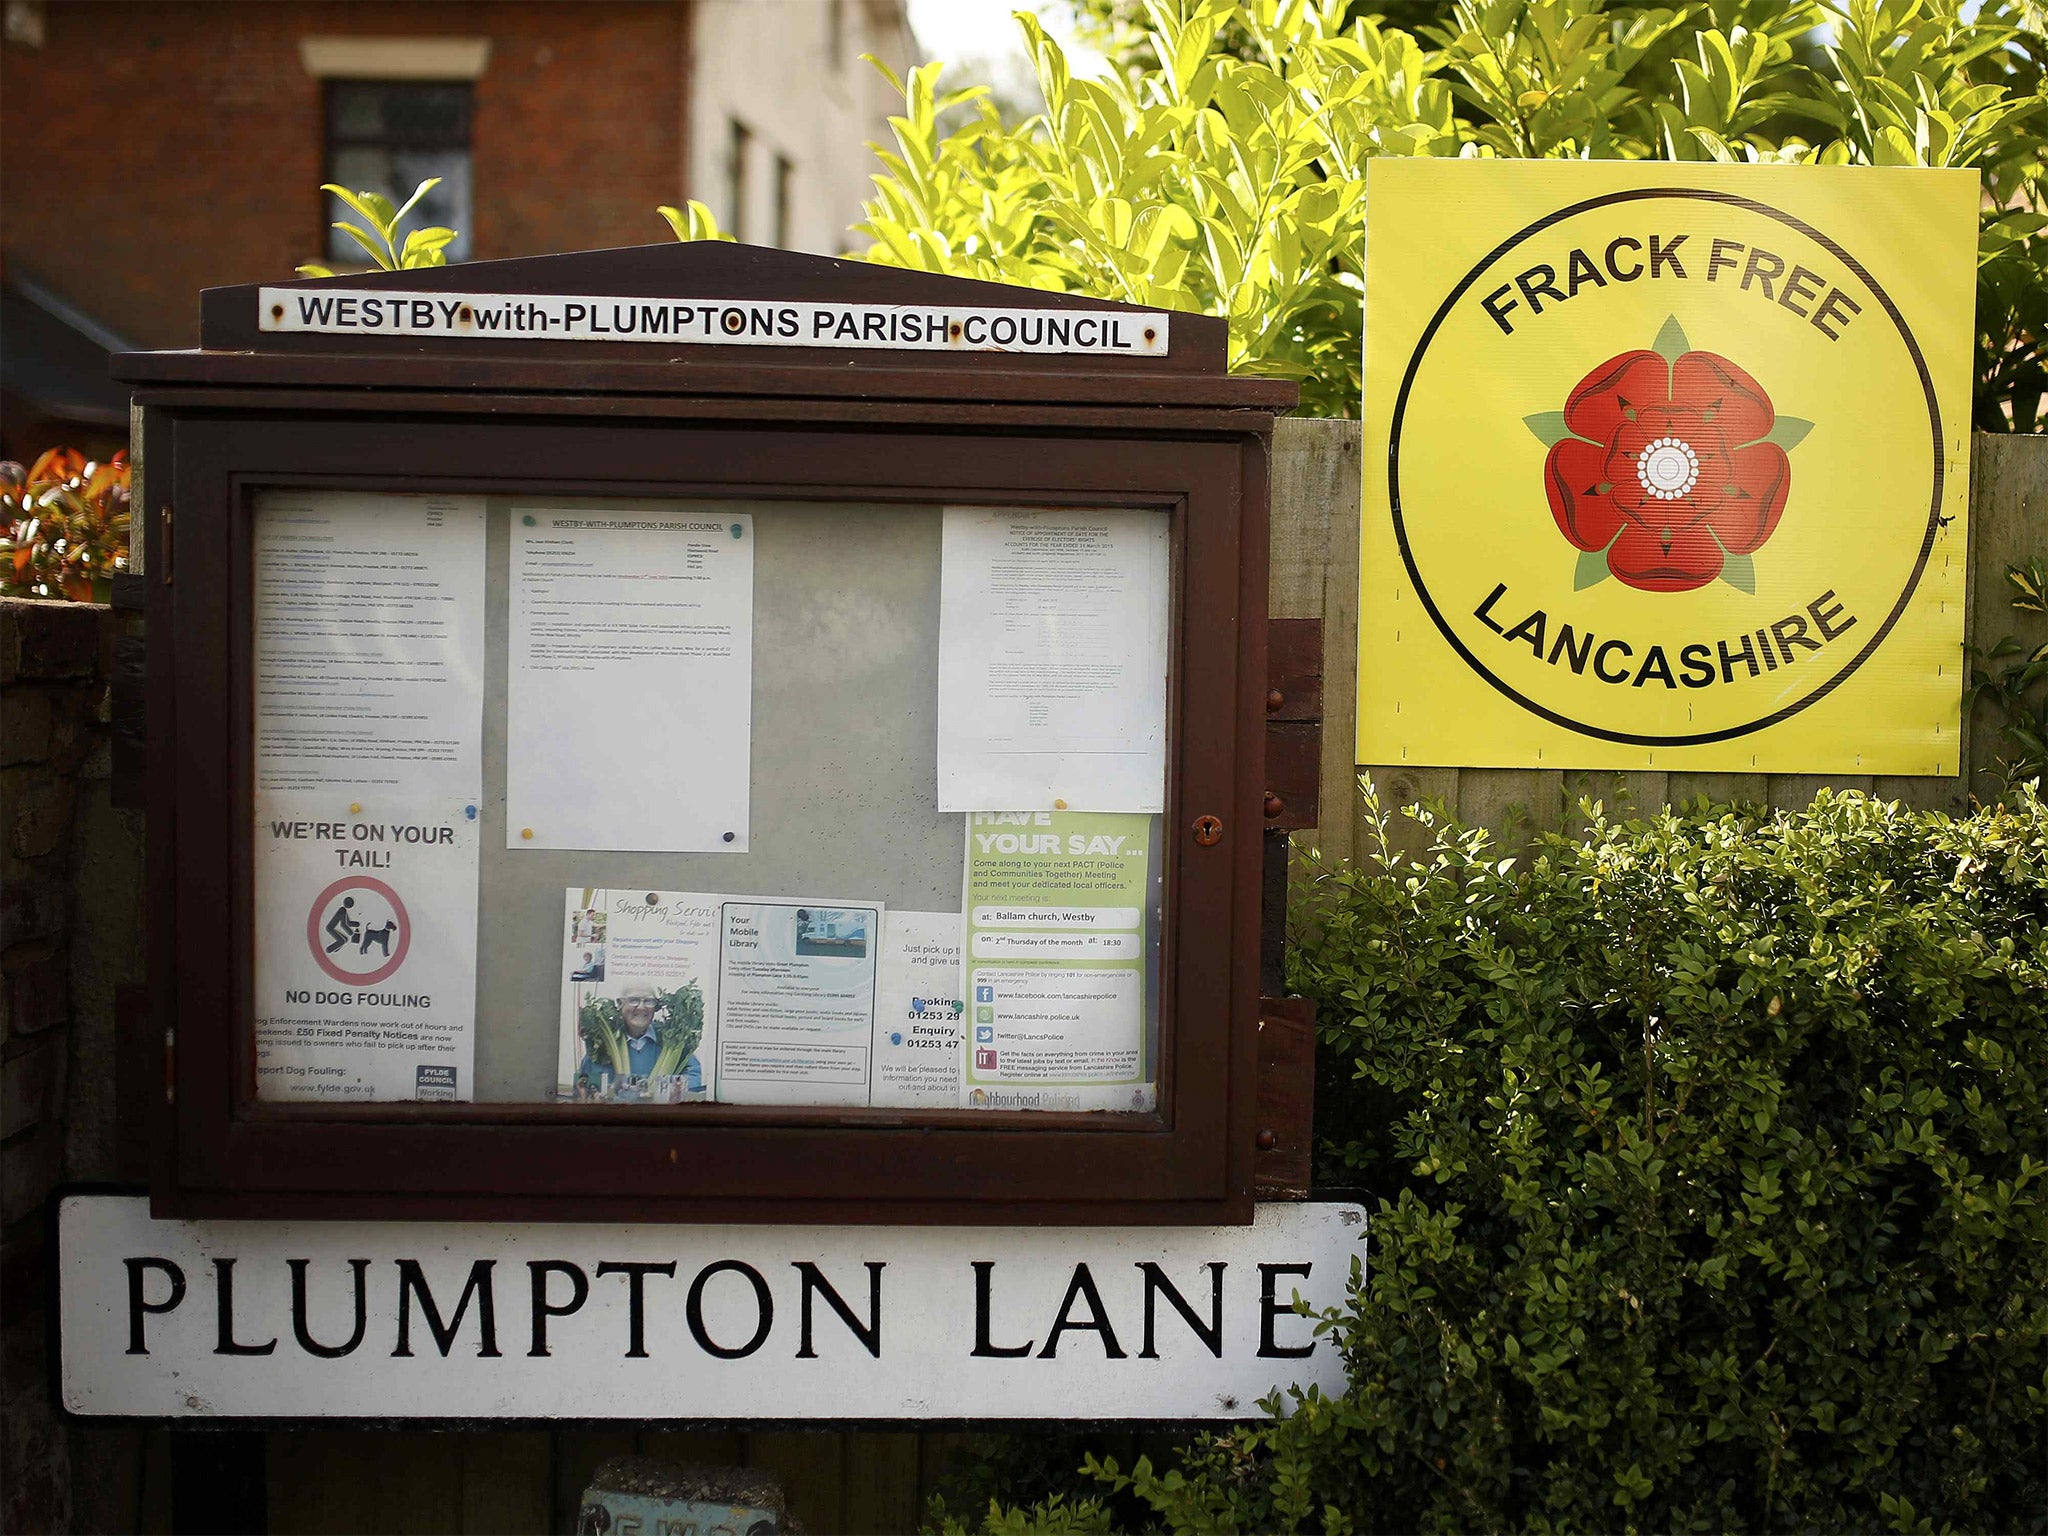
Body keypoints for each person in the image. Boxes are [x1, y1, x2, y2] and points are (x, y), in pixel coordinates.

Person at [576, 981, 702, 1101]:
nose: (641, 1007)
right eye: (633, 1000)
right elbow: (584, 1082)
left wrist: (668, 1089)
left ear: (656, 1007)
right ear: (620, 1003)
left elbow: (695, 1074)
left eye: (648, 1001)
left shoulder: (672, 1040)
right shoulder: (602, 1043)